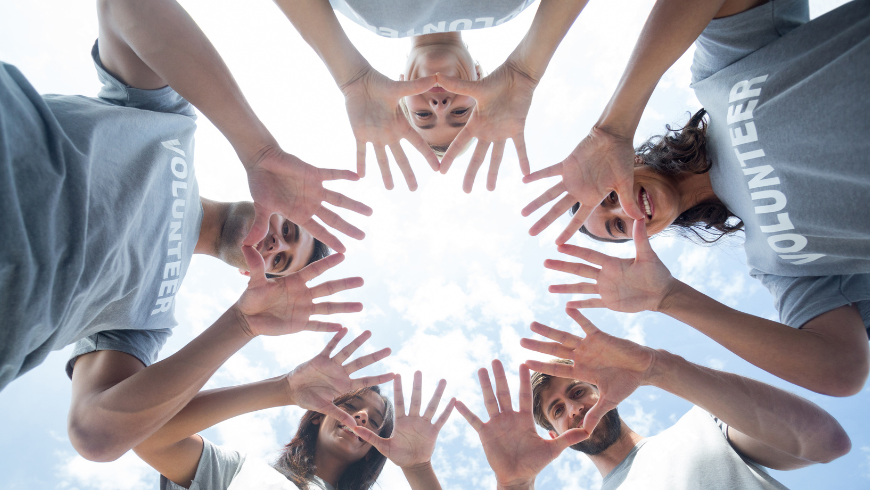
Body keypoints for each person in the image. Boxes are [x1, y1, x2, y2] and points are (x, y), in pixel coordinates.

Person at [0, 0, 372, 461]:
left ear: (252, 277)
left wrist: (242, 324)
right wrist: (259, 151)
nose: (276, 245)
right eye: (289, 231)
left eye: (279, 262)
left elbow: (95, 433)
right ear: (272, 203)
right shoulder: (169, 123)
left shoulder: (146, 321)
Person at [523, 0, 870, 396]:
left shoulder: (719, 74)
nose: (625, 208)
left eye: (608, 196)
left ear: (630, 160)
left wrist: (611, 127)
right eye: (618, 225)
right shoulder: (774, 261)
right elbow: (842, 370)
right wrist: (668, 297)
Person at [456, 308, 851, 490]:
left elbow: (825, 442)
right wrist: (514, 485)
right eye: (557, 410)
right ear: (552, 430)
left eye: (577, 391)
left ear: (602, 390)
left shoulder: (704, 428)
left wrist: (659, 369)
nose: (574, 409)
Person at [274, 0, 590, 192]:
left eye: (424, 116)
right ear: (481, 76)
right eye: (459, 114)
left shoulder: (366, 14)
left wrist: (350, 77)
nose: (440, 105)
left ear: (398, 87)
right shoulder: (509, 7)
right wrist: (526, 71)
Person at [134, 329, 455, 490]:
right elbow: (147, 434)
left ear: (373, 451)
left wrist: (417, 469)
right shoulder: (239, 471)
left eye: (373, 423)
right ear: (318, 414)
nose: (361, 417)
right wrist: (283, 389)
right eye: (352, 406)